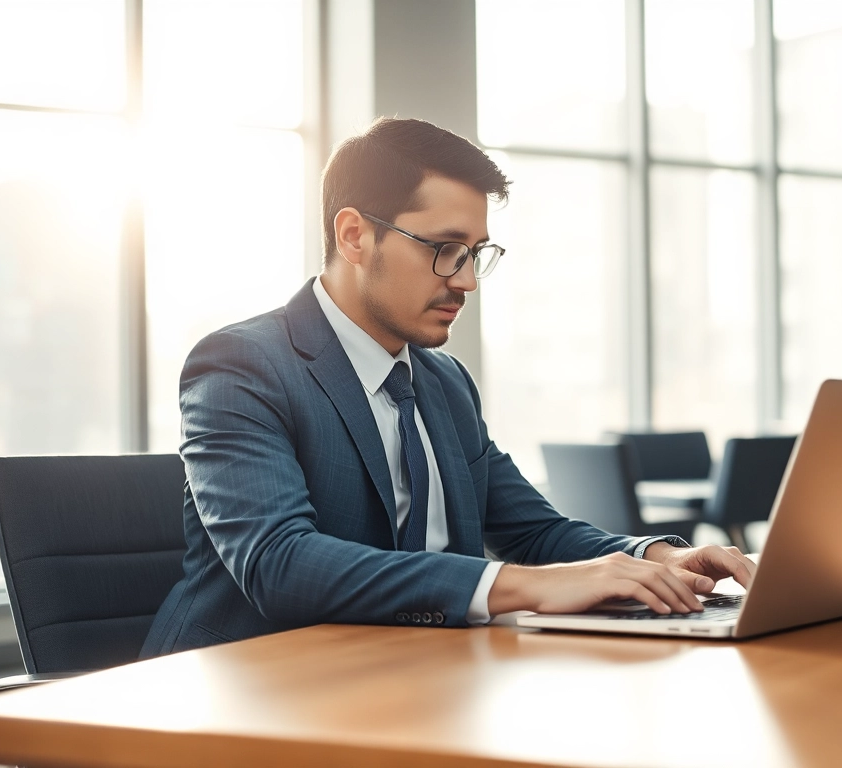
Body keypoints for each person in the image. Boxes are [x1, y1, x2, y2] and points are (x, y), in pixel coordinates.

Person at [141, 117, 757, 657]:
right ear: (355, 235)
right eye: (443, 250)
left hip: (415, 677)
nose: (466, 281)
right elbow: (279, 564)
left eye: (475, 253)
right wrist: (529, 586)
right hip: (245, 689)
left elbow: (532, 530)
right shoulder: (242, 365)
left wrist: (656, 559)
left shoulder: (444, 381)